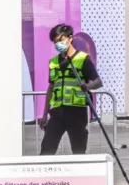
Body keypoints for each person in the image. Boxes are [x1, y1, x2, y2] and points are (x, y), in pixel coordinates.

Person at [40, 24, 103, 155]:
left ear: (70, 38)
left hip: (76, 112)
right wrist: (45, 114)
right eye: (55, 42)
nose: (58, 44)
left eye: (60, 40)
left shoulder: (82, 59)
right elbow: (50, 88)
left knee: (78, 151)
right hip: (57, 112)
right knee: (47, 150)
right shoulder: (53, 62)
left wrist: (87, 86)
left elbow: (98, 82)